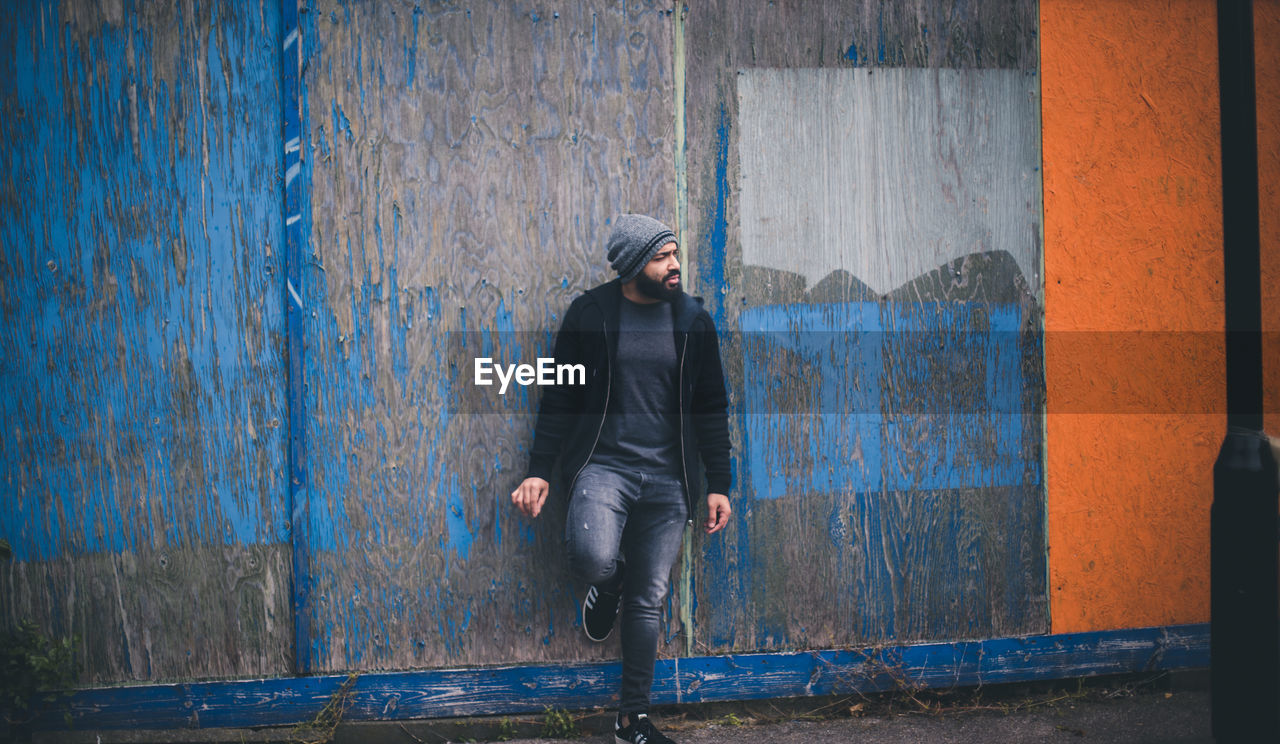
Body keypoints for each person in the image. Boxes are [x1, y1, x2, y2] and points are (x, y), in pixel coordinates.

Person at [511, 214, 731, 744]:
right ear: (634, 264)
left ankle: (632, 720)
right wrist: (539, 470)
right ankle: (605, 587)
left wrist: (719, 481)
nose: (674, 264)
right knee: (592, 557)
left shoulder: (693, 321)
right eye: (661, 257)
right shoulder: (592, 314)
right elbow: (560, 395)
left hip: (668, 479)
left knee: (649, 596)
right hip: (603, 468)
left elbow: (710, 407)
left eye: (675, 253)